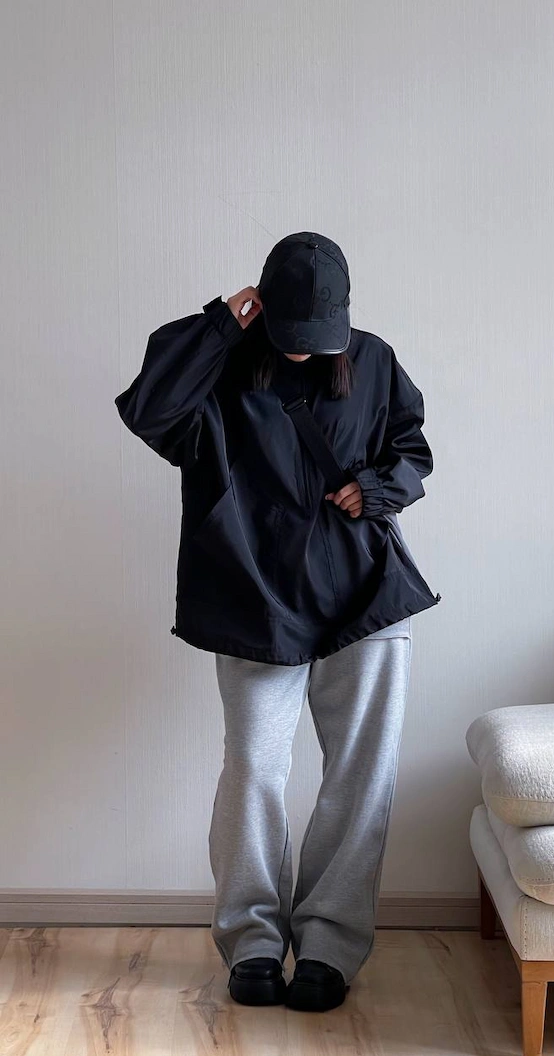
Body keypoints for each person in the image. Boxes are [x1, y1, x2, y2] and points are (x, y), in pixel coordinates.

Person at [115, 230, 441, 1012]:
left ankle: (329, 942)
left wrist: (379, 488)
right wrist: (216, 326)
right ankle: (254, 939)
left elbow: (412, 447)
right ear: (261, 308)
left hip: (364, 593)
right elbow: (149, 409)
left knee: (360, 776)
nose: (302, 347)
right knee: (254, 770)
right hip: (255, 595)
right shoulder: (222, 365)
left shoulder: (374, 360)